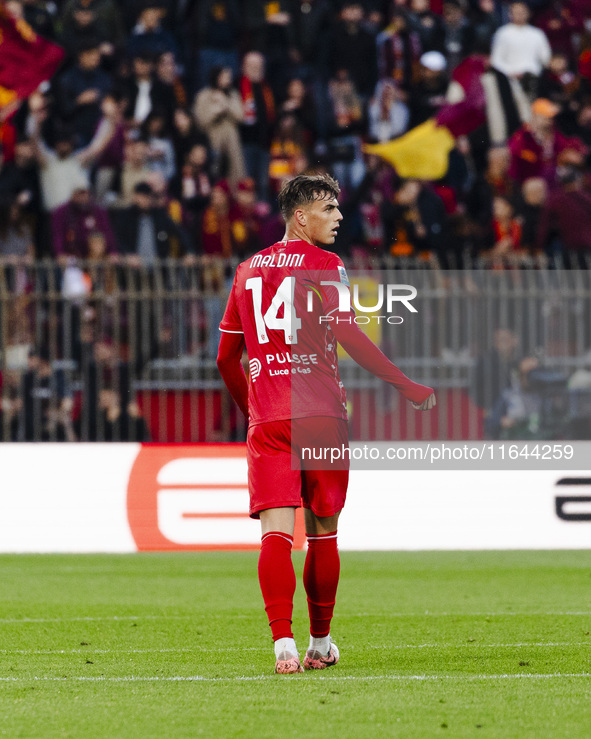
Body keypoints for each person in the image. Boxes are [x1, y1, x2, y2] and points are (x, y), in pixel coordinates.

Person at [216, 173, 435, 674]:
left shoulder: (247, 269)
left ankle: (282, 646)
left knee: (275, 533)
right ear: (301, 215)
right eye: (329, 208)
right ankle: (320, 643)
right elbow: (349, 337)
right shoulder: (326, 265)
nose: (339, 217)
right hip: (321, 417)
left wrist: (250, 406)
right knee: (323, 533)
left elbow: (228, 356)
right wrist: (405, 385)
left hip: (270, 416)